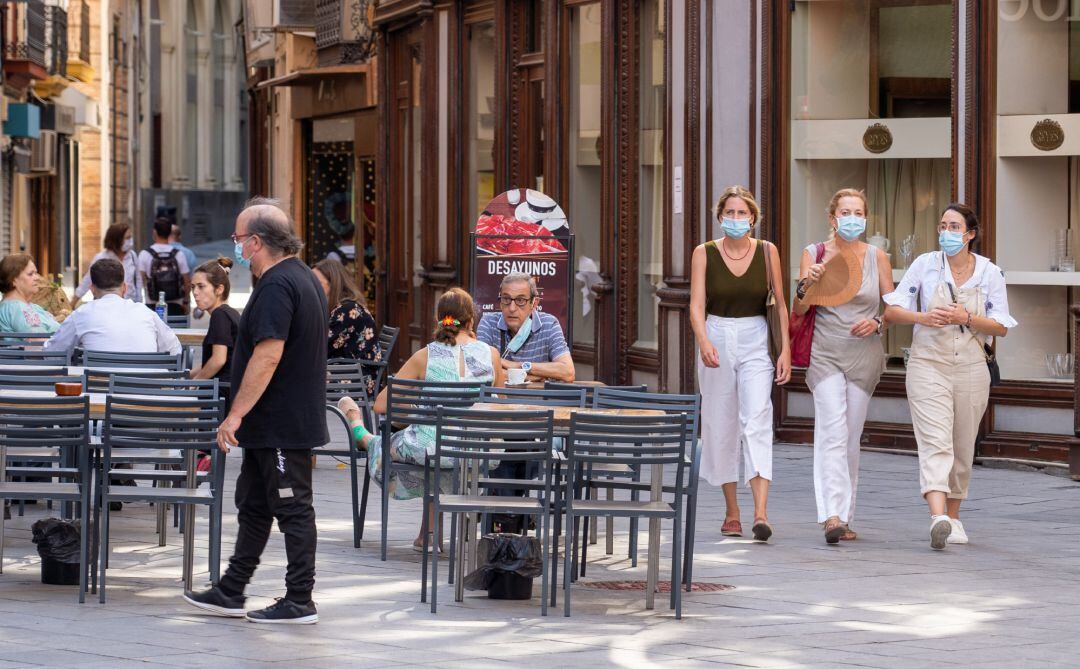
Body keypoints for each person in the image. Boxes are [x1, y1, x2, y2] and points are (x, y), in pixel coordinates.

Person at [184, 198, 327, 624]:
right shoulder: (298, 277)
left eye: (239, 240)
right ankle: (232, 589)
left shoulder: (278, 285)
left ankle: (300, 598)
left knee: (292, 506)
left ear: (257, 242)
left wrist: (235, 414)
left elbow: (267, 355)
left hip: (281, 422)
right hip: (272, 423)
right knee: (254, 503)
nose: (237, 249)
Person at [884, 204, 1015, 550]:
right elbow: (892, 310)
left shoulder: (990, 273)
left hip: (972, 367)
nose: (946, 232)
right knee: (935, 442)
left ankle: (954, 517)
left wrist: (967, 316)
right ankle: (937, 516)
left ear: (970, 234)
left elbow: (1001, 326)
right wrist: (923, 318)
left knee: (961, 446)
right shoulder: (924, 264)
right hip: (927, 363)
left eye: (954, 226)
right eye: (943, 225)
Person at [337, 287, 503, 551]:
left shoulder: (424, 356)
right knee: (439, 449)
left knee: (400, 443)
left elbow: (381, 404)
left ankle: (359, 430)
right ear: (472, 320)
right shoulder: (492, 355)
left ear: (440, 319)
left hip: (431, 448)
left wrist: (420, 412)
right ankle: (427, 535)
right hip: (478, 449)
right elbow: (498, 404)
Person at [689, 186, 790, 543]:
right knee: (720, 422)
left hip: (755, 336)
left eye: (742, 213)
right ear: (720, 217)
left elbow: (779, 301)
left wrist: (785, 350)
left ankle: (761, 512)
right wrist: (703, 340)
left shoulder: (767, 251)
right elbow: (697, 304)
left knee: (758, 417)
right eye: (729, 213)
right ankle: (732, 510)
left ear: (753, 217)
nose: (736, 219)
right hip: (717, 331)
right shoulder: (705, 253)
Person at [793, 189, 894, 544]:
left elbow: (892, 308)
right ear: (832, 218)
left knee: (850, 436)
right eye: (845, 212)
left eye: (858, 212)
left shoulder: (877, 257)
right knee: (831, 431)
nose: (852, 218)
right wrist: (810, 282)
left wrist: (878, 323)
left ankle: (846, 516)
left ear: (865, 218)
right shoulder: (814, 253)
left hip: (865, 353)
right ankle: (830, 515)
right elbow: (801, 308)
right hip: (826, 351)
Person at [44, 259, 181, 355]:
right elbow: (174, 349)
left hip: (98, 392)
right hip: (145, 392)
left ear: (92, 289)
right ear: (125, 288)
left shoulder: (81, 314)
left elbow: (52, 352)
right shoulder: (146, 313)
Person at [476, 272, 575, 383]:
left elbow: (568, 372)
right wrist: (530, 376)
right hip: (498, 399)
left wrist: (519, 365)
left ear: (534, 303)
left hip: (536, 400)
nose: (512, 308)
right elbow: (481, 370)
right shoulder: (489, 322)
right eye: (506, 299)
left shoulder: (549, 324)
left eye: (520, 300)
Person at [312, 258, 381, 391]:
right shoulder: (342, 306)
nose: (311, 287)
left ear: (334, 284)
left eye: (317, 283)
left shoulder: (348, 310)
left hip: (357, 377)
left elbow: (321, 346)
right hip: (347, 369)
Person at [190, 257, 240, 384]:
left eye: (201, 287)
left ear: (219, 289)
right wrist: (186, 376)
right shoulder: (229, 312)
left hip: (220, 394)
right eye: (192, 287)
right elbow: (209, 363)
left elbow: (218, 360)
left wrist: (194, 384)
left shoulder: (220, 315)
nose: (195, 292)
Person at [75, 223, 143, 304]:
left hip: (129, 304)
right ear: (117, 240)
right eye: (127, 238)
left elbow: (138, 281)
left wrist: (139, 303)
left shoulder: (132, 256)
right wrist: (73, 302)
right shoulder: (101, 258)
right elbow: (87, 281)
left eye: (130, 237)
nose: (130, 241)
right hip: (105, 306)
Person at [138, 216, 191, 314]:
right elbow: (187, 282)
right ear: (170, 233)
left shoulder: (144, 254)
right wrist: (185, 302)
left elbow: (140, 281)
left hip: (152, 304)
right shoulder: (179, 254)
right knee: (175, 329)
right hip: (176, 304)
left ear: (154, 232)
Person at [0, 254, 59, 335]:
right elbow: (38, 343)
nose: (37, 278)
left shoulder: (29, 307)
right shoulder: (17, 308)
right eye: (31, 274)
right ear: (14, 280)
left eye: (36, 273)